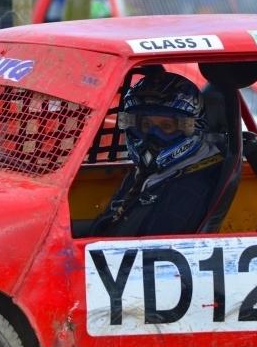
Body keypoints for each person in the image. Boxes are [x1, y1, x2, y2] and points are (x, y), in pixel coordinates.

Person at [88, 70, 225, 237]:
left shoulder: (188, 188)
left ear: (193, 128)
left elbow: (148, 256)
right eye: (145, 124)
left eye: (166, 127)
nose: (153, 135)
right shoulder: (150, 173)